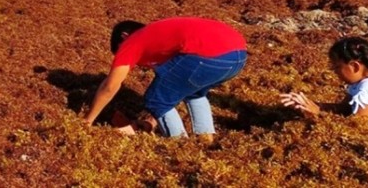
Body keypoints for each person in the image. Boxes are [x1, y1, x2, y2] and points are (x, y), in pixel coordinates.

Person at [83, 16, 247, 137]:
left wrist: (87, 121)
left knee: (156, 100)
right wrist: (150, 121)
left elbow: (110, 86)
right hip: (238, 55)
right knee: (193, 92)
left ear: (125, 37)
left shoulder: (133, 41)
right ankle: (205, 138)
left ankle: (178, 142)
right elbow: (173, 86)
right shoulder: (159, 36)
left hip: (207, 55)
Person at [280, 36, 368, 144]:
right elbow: (343, 109)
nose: (334, 72)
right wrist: (308, 104)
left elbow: (356, 127)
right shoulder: (364, 84)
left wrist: (316, 114)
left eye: (336, 67)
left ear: (354, 66)